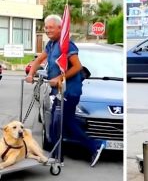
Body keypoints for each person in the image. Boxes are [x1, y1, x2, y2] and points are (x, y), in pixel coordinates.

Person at [25, 14, 103, 167]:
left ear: (61, 28)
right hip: (58, 92)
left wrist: (60, 78)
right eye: (46, 28)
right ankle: (58, 155)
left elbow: (77, 66)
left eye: (51, 27)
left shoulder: (66, 45)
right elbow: (39, 59)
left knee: (60, 123)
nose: (47, 30)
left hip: (69, 91)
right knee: (61, 123)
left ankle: (93, 145)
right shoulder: (51, 44)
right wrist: (30, 73)